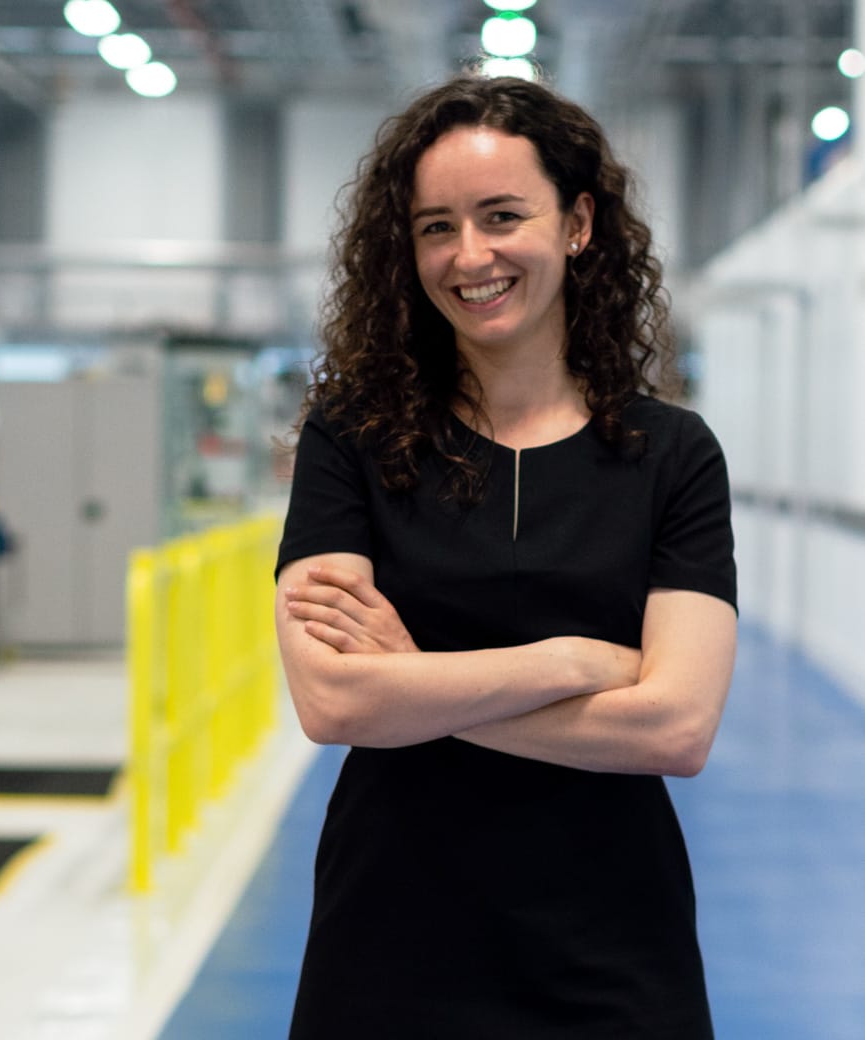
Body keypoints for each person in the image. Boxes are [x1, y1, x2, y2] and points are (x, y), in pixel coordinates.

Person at [274, 73, 737, 1038]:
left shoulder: (671, 456)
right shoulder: (352, 439)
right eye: (436, 226)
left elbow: (674, 730)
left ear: (576, 224)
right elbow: (333, 702)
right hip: (392, 942)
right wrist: (565, 666)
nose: (468, 255)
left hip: (613, 948)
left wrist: (416, 688)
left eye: (500, 215)